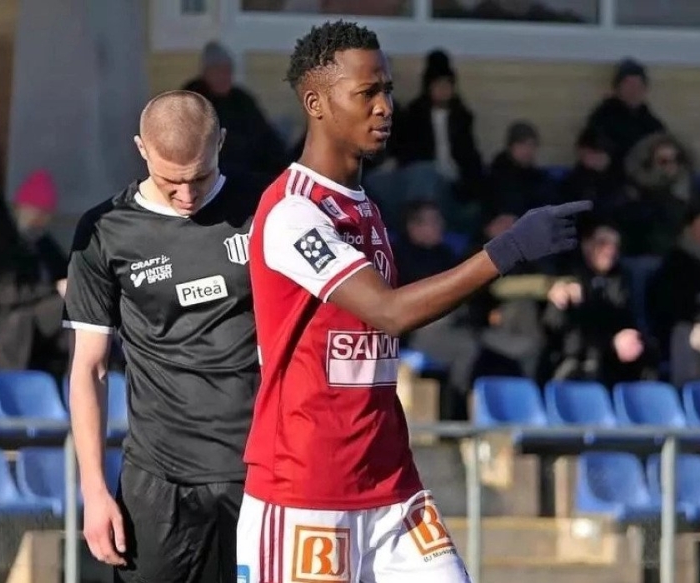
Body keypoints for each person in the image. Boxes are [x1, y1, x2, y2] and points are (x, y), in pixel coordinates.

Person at [239, 20, 590, 583]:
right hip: (306, 487)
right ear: (316, 102)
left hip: (390, 483)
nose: (385, 107)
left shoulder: (366, 205)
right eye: (366, 93)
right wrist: (506, 250)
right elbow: (390, 310)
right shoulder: (292, 211)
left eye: (388, 90)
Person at [64, 90, 262, 583]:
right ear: (141, 150)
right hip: (159, 480)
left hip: (257, 472)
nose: (188, 196)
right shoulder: (105, 231)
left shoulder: (266, 209)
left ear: (221, 142)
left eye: (200, 177)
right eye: (172, 182)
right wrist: (93, 490)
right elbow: (89, 368)